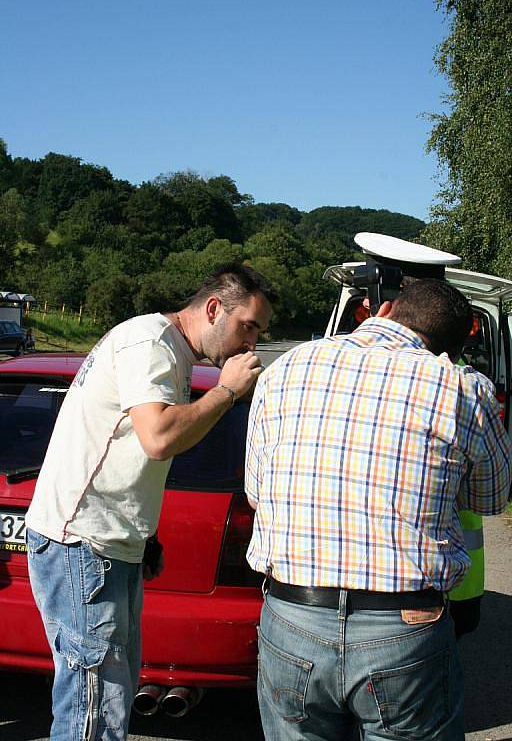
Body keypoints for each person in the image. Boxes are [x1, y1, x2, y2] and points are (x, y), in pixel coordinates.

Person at [245, 278, 512, 741]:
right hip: (404, 630)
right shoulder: (462, 388)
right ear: (453, 345)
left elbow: (256, 492)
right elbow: (490, 499)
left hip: (292, 616)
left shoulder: (286, 368)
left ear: (383, 310)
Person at [25, 263, 276, 741]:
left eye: (260, 333)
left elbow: (127, 447)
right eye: (248, 326)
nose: (251, 344)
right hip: (85, 542)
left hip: (109, 540)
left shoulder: (167, 348)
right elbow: (158, 437)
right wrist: (227, 390)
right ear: (213, 308)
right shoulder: (151, 344)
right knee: (91, 701)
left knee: (109, 690)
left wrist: (147, 532)